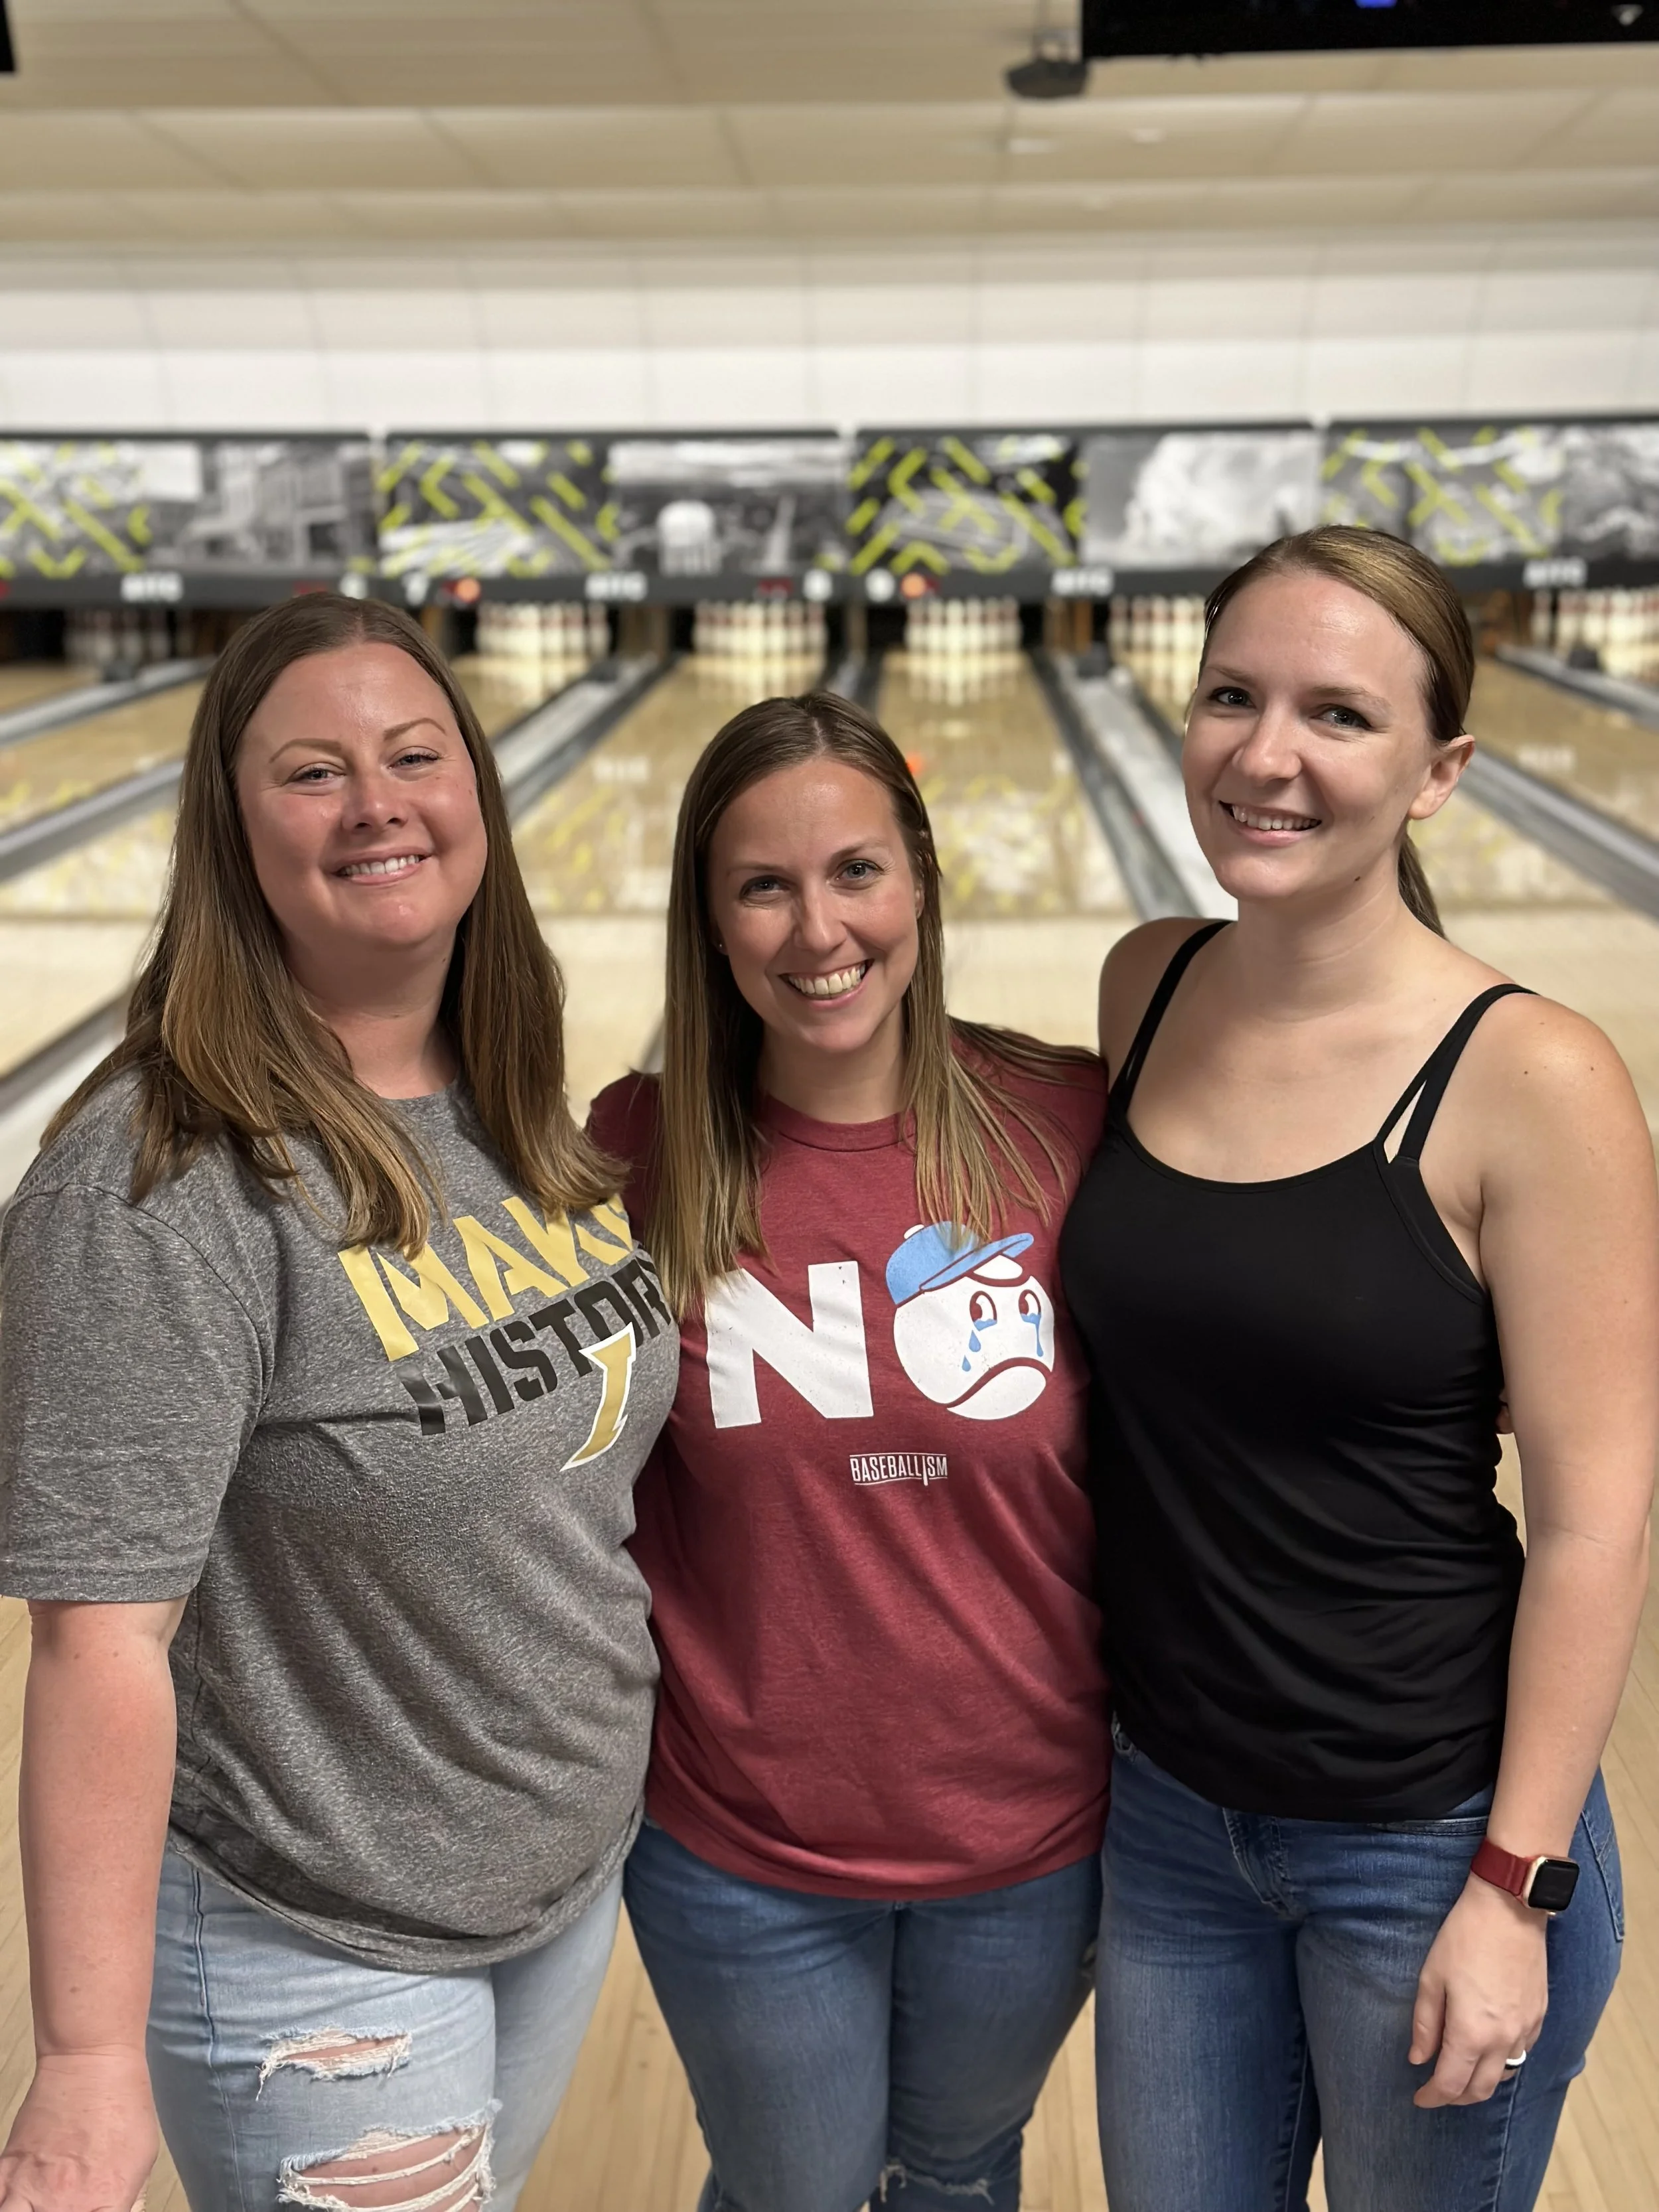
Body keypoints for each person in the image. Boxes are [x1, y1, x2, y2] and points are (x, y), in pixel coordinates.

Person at [0, 595, 678, 2212]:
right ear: (233, 838)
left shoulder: (510, 1097)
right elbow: (100, 1642)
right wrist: (86, 2060)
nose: (377, 802)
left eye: (413, 754)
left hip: (555, 1880)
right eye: (313, 772)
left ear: (478, 796)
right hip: (315, 1939)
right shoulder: (159, 1184)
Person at [1060, 526, 1657, 2212]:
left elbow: (1597, 1525)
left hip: (1427, 1833)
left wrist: (1511, 1884)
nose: (1265, 755)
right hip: (1171, 1815)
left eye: (1335, 714)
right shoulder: (1146, 985)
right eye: (1230, 698)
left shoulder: (1530, 1074)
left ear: (1436, 771)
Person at [589, 692, 1110, 2212]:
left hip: (1025, 1835)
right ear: (710, 917)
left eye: (854, 872)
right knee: (792, 2193)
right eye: (762, 884)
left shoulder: (1063, 1125)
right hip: (737, 1842)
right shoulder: (633, 1154)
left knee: (955, 2173)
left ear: (921, 882)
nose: (815, 928)